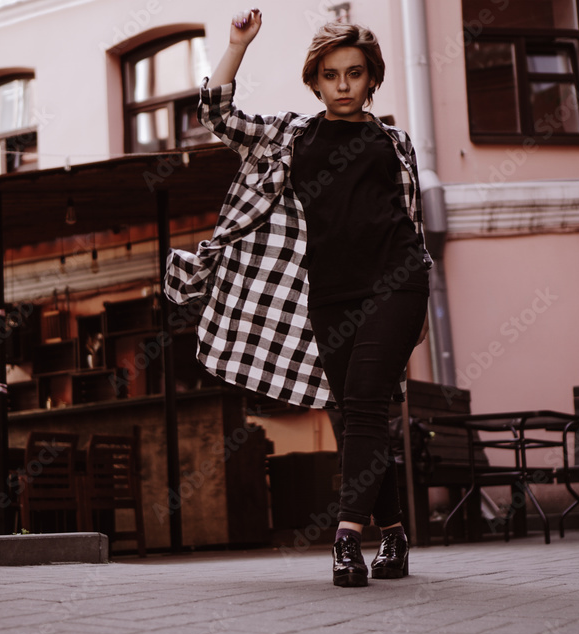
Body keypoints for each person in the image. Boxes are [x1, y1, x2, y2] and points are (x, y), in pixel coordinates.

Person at [165, 9, 432, 587]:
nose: (343, 86)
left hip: (397, 281)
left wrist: (422, 303)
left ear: (371, 79)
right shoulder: (291, 136)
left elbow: (412, 223)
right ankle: (394, 535)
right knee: (352, 410)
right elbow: (215, 114)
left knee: (362, 403)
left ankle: (344, 538)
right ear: (314, 81)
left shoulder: (394, 142)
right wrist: (238, 44)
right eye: (331, 75)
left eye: (354, 74)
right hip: (330, 295)